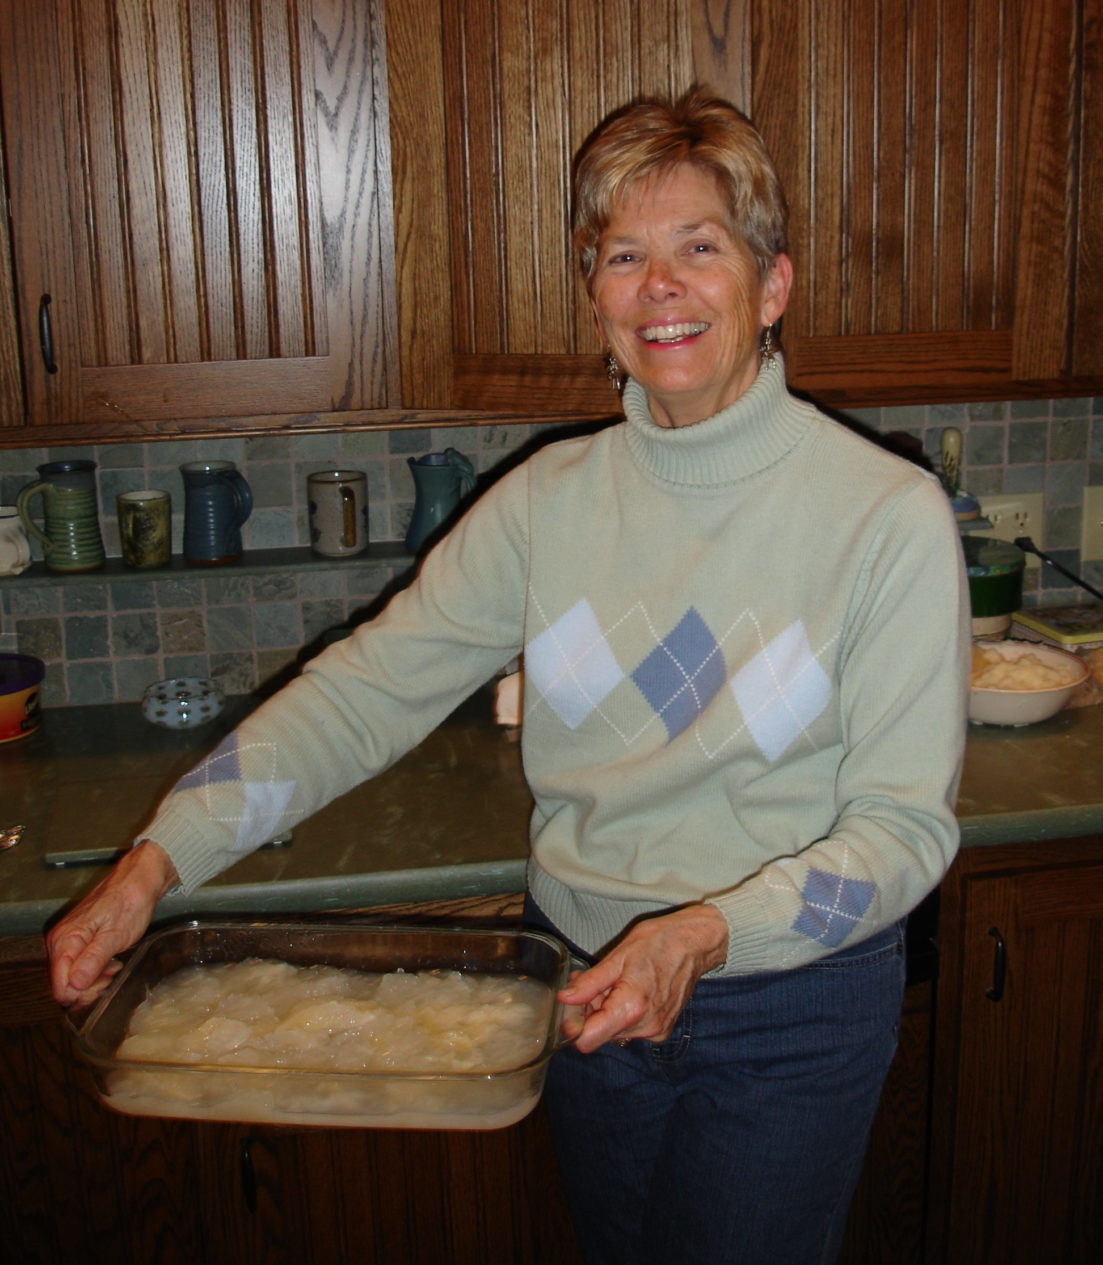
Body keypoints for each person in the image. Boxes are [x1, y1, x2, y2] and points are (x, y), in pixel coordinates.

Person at [47, 87, 968, 1264]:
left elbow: (898, 832)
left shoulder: (879, 516)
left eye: (699, 247)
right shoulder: (547, 503)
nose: (659, 286)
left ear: (770, 284)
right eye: (623, 256)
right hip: (578, 984)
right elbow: (364, 690)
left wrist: (703, 932)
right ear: (595, 300)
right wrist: (155, 859)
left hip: (788, 1005)